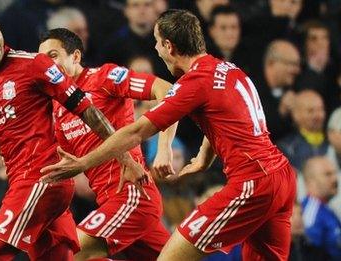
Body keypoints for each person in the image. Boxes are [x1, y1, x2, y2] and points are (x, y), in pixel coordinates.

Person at [40, 9, 296, 260]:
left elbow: (138, 131)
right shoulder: (228, 68)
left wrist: (84, 163)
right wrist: (204, 158)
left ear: (168, 46)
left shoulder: (193, 82)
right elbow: (223, 118)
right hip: (281, 175)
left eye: (156, 43)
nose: (155, 49)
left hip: (253, 180)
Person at [0, 2, 141, 260]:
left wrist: (125, 158)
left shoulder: (35, 65)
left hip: (43, 178)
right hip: (19, 183)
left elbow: (87, 110)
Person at [38, 28, 173, 260]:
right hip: (108, 202)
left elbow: (167, 90)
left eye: (53, 55)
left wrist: (164, 149)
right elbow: (66, 161)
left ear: (76, 56)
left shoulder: (105, 77)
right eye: (42, 61)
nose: (47, 65)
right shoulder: (58, 108)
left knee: (73, 253)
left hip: (132, 195)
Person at [301, 156, 341, 259]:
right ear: (311, 182)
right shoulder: (310, 214)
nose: (334, 179)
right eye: (327, 174)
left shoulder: (325, 208)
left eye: (334, 173)